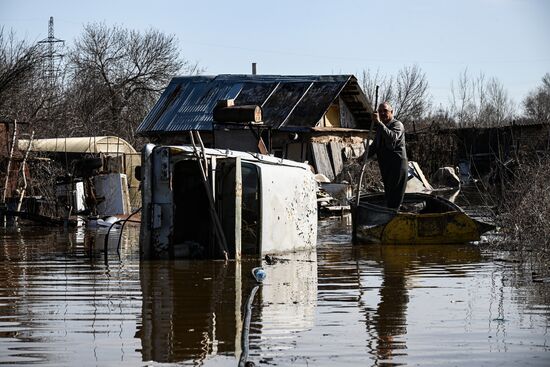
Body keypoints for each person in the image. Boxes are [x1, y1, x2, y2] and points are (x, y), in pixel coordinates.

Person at [364, 101, 408, 210]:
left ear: (392, 112)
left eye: (385, 111)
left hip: (397, 166)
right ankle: (391, 216)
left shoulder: (397, 125)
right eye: (380, 111)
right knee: (389, 195)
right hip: (386, 166)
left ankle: (396, 216)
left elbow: (392, 138)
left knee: (395, 196)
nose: (382, 113)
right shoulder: (380, 128)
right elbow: (374, 146)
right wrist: (363, 157)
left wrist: (379, 123)